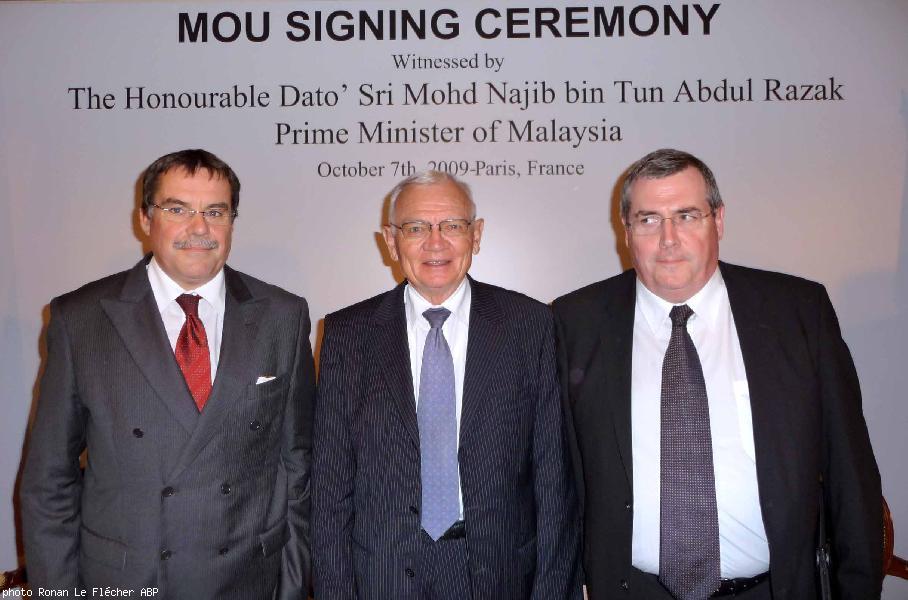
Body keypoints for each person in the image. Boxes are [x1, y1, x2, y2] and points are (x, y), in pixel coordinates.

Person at [553, 149, 882, 600]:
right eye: (648, 220)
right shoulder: (575, 322)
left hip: (772, 591)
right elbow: (558, 478)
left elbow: (852, 475)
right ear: (626, 232)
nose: (669, 239)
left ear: (718, 221)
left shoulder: (798, 313)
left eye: (686, 215)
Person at [21, 149, 315, 599]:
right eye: (177, 209)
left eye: (215, 212)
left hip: (246, 583)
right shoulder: (80, 319)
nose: (199, 228)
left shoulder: (283, 316)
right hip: (126, 583)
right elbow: (48, 482)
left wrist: (292, 586)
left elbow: (299, 468)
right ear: (145, 218)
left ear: (232, 221)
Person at [312, 171, 582, 599]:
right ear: (390, 239)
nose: (435, 243)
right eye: (416, 227)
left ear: (476, 235)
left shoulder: (531, 325)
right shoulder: (348, 333)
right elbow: (330, 487)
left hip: (500, 573)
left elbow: (553, 481)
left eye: (452, 226)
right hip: (381, 573)